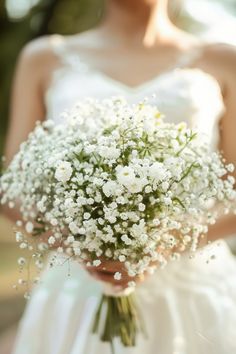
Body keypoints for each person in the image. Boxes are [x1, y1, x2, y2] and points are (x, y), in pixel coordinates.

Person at [3, 0, 236, 353]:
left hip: (194, 286)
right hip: (79, 284)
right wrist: (86, 249)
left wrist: (165, 245)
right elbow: (12, 189)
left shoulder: (222, 59)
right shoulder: (44, 56)